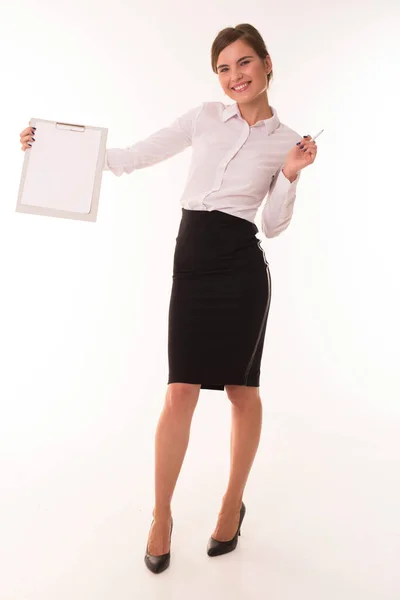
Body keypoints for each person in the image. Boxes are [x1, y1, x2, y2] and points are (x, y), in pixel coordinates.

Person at [19, 23, 318, 575]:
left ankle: (232, 504)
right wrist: (55, 146)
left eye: (244, 63)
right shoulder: (204, 117)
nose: (235, 76)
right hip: (194, 262)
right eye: (224, 68)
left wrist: (292, 176)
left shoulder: (287, 140)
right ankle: (161, 513)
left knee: (240, 389)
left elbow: (273, 226)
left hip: (243, 267)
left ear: (268, 63)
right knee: (179, 390)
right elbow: (132, 156)